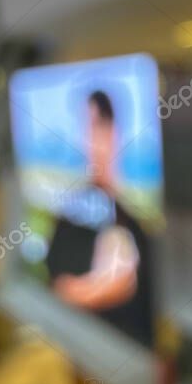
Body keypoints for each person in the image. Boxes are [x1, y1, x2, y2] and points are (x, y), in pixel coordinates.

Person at [45, 90, 155, 346]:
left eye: (96, 125)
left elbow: (121, 285)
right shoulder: (71, 209)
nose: (89, 139)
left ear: (113, 132)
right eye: (84, 127)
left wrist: (75, 292)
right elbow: (55, 278)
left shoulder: (134, 217)